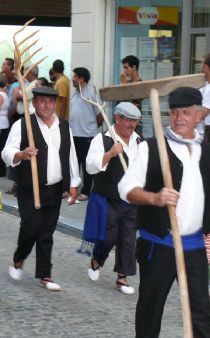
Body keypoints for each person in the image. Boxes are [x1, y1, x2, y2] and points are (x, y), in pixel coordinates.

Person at [118, 87, 210, 337]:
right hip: (158, 244)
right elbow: (125, 188)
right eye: (174, 112)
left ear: (199, 115)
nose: (179, 118)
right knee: (151, 309)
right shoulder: (152, 147)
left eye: (186, 113)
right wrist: (154, 198)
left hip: (195, 246)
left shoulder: (205, 149)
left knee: (201, 312)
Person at [2, 86, 81, 291]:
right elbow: (6, 152)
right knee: (30, 227)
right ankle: (19, 259)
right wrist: (20, 154)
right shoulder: (23, 125)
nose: (47, 105)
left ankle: (45, 275)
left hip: (54, 188)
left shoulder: (64, 126)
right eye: (42, 101)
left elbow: (70, 155)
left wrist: (73, 184)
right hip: (29, 188)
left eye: (51, 102)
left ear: (55, 104)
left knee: (47, 232)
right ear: (34, 103)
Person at [84, 102, 141, 294]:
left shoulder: (139, 142)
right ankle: (97, 259)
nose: (132, 125)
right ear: (117, 119)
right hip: (108, 198)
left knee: (128, 239)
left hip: (131, 199)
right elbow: (90, 167)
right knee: (108, 237)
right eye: (129, 120)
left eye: (136, 121)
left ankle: (122, 277)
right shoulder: (102, 139)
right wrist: (110, 154)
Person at [70, 67, 103, 201]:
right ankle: (73, 190)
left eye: (75, 76)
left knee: (86, 165)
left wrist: (91, 129)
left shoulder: (91, 93)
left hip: (87, 136)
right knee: (74, 164)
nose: (72, 79)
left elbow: (99, 115)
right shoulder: (75, 93)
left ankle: (86, 191)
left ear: (82, 79)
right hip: (75, 134)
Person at [199, 53, 210, 142]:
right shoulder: (206, 86)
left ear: (206, 67)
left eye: (202, 64)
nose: (201, 68)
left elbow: (202, 114)